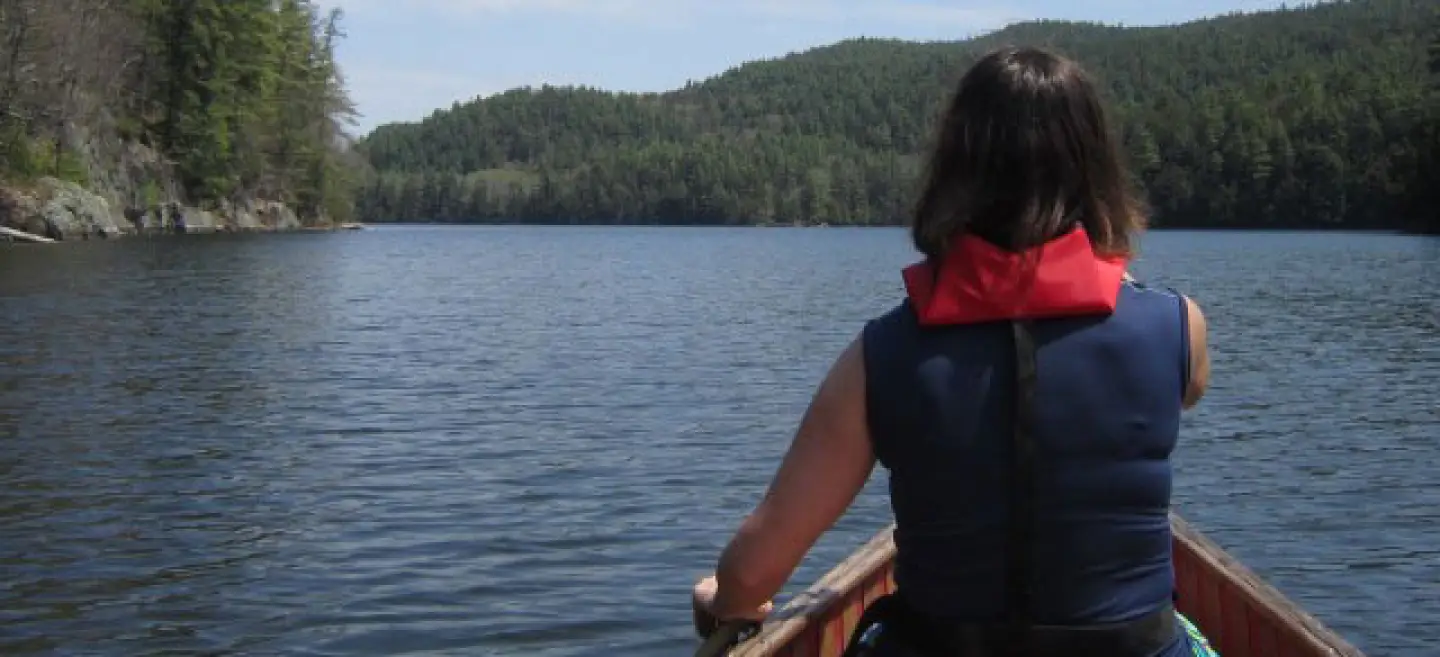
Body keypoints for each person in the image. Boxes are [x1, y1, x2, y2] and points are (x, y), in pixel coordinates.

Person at [691, 46, 1219, 657]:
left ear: (953, 171)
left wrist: (724, 595)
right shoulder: (1179, 329)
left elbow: (755, 572)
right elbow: (1184, 390)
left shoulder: (880, 356)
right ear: (1096, 170)